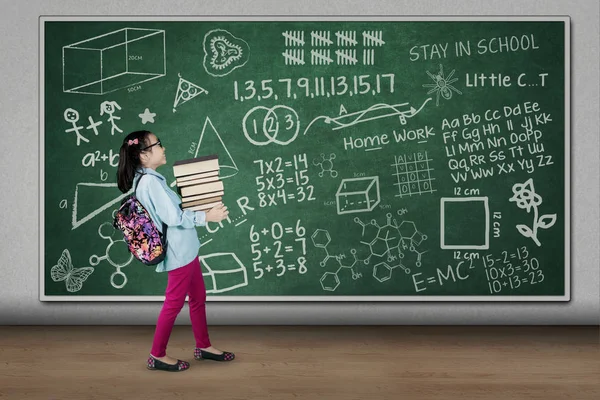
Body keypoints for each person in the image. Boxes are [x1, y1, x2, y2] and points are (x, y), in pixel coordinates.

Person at [116, 130, 234, 372]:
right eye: (158, 144)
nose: (163, 147)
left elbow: (172, 208)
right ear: (143, 155)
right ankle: (157, 355)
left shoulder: (152, 180)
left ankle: (203, 346)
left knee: (198, 298)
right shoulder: (149, 182)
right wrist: (207, 217)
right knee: (173, 304)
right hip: (178, 253)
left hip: (186, 250)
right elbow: (173, 217)